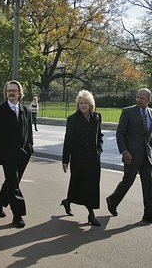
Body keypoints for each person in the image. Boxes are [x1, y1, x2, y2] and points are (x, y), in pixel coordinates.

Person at [106, 88, 152, 225]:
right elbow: (120, 133)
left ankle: (149, 214)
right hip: (131, 155)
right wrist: (124, 151)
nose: (139, 100)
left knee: (149, 184)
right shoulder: (128, 112)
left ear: (149, 100)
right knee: (127, 182)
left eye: (142, 98)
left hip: (147, 156)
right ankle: (112, 201)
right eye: (137, 97)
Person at [0, 80, 34, 228]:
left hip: (24, 154)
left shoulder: (26, 110)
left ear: (20, 93)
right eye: (9, 91)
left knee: (12, 182)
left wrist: (30, 148)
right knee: (13, 184)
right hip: (7, 154)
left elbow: (29, 132)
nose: (11, 93)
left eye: (14, 90)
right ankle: (17, 215)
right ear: (5, 93)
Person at [61, 90, 103, 226]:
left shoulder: (97, 117)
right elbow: (68, 140)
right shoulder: (72, 119)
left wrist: (99, 149)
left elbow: (99, 136)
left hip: (93, 159)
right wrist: (65, 160)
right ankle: (68, 202)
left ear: (91, 104)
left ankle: (91, 214)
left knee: (92, 185)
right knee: (77, 184)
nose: (83, 105)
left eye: (85, 103)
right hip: (78, 159)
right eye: (81, 103)